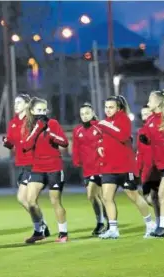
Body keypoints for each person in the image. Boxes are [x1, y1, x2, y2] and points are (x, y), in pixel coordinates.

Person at [95, 96, 155, 239]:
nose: (108, 110)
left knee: (134, 196)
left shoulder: (124, 119)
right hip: (109, 167)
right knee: (106, 197)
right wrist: (100, 146)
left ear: (118, 108)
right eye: (106, 107)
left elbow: (122, 136)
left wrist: (104, 126)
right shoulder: (106, 122)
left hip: (124, 167)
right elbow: (103, 139)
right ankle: (113, 229)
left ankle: (150, 224)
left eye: (111, 107)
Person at [22, 98, 70, 243]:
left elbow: (64, 142)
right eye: (39, 110)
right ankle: (39, 230)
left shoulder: (53, 123)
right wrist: (37, 129)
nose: (42, 113)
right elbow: (26, 146)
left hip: (54, 168)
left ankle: (63, 233)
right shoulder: (29, 125)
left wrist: (51, 135)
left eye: (44, 110)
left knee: (55, 201)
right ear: (31, 111)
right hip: (37, 168)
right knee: (30, 201)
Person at [3, 93, 51, 237]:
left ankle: (40, 228)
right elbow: (11, 142)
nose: (15, 105)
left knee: (27, 199)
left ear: (26, 105)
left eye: (19, 102)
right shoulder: (13, 122)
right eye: (15, 102)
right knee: (24, 200)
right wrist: (6, 142)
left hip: (34, 163)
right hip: (23, 164)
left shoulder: (31, 121)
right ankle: (42, 226)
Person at [138, 89, 164, 237]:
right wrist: (145, 139)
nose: (148, 101)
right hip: (160, 164)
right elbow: (150, 139)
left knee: (162, 193)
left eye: (150, 99)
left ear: (159, 102)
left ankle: (162, 228)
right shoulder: (150, 120)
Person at [72, 103, 107, 236]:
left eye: (87, 113)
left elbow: (107, 142)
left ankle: (109, 223)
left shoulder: (99, 126)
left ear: (92, 113)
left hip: (101, 166)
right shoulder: (77, 130)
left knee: (104, 196)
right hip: (87, 168)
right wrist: (76, 160)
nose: (84, 116)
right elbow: (76, 147)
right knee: (91, 196)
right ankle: (100, 222)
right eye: (82, 114)